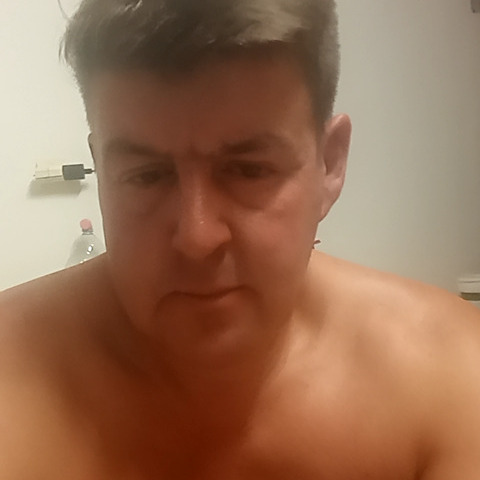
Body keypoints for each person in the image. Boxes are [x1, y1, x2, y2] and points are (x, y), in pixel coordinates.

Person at [1, 0, 479, 478]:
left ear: (329, 164)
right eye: (147, 175)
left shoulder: (453, 380)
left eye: (249, 171)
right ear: (101, 169)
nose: (197, 237)